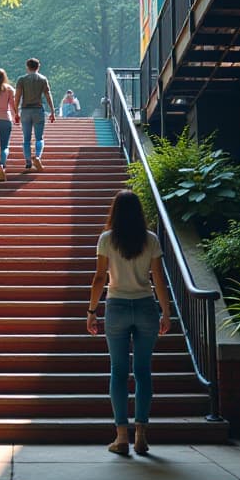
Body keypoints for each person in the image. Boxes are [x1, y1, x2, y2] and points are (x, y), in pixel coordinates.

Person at [87, 190, 172, 456]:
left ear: (115, 212)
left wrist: (91, 311)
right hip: (146, 306)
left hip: (117, 307)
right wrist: (165, 312)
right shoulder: (151, 239)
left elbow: (100, 278)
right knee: (144, 371)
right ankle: (142, 436)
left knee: (119, 371)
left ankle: (121, 437)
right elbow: (158, 278)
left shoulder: (106, 240)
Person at [13, 57, 56, 172]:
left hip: (25, 111)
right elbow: (47, 95)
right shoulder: (43, 79)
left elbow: (17, 97)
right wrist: (52, 111)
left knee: (26, 139)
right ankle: (37, 156)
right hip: (38, 110)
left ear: (27, 67)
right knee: (39, 138)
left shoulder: (21, 80)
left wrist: (15, 112)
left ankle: (28, 162)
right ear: (38, 67)